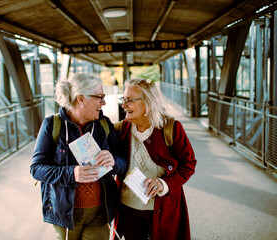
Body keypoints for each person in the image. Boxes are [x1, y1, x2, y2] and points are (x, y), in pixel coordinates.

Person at [30, 73, 127, 240]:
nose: (103, 103)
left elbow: (123, 163)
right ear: (81, 99)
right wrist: (72, 173)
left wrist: (114, 161)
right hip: (66, 215)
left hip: (100, 213)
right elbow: (36, 169)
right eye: (100, 97)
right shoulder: (52, 125)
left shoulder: (104, 125)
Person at [114, 78, 197, 240]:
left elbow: (189, 164)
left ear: (148, 103)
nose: (124, 105)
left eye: (130, 100)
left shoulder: (171, 128)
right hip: (129, 209)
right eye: (124, 99)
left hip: (163, 210)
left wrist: (164, 184)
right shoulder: (120, 129)